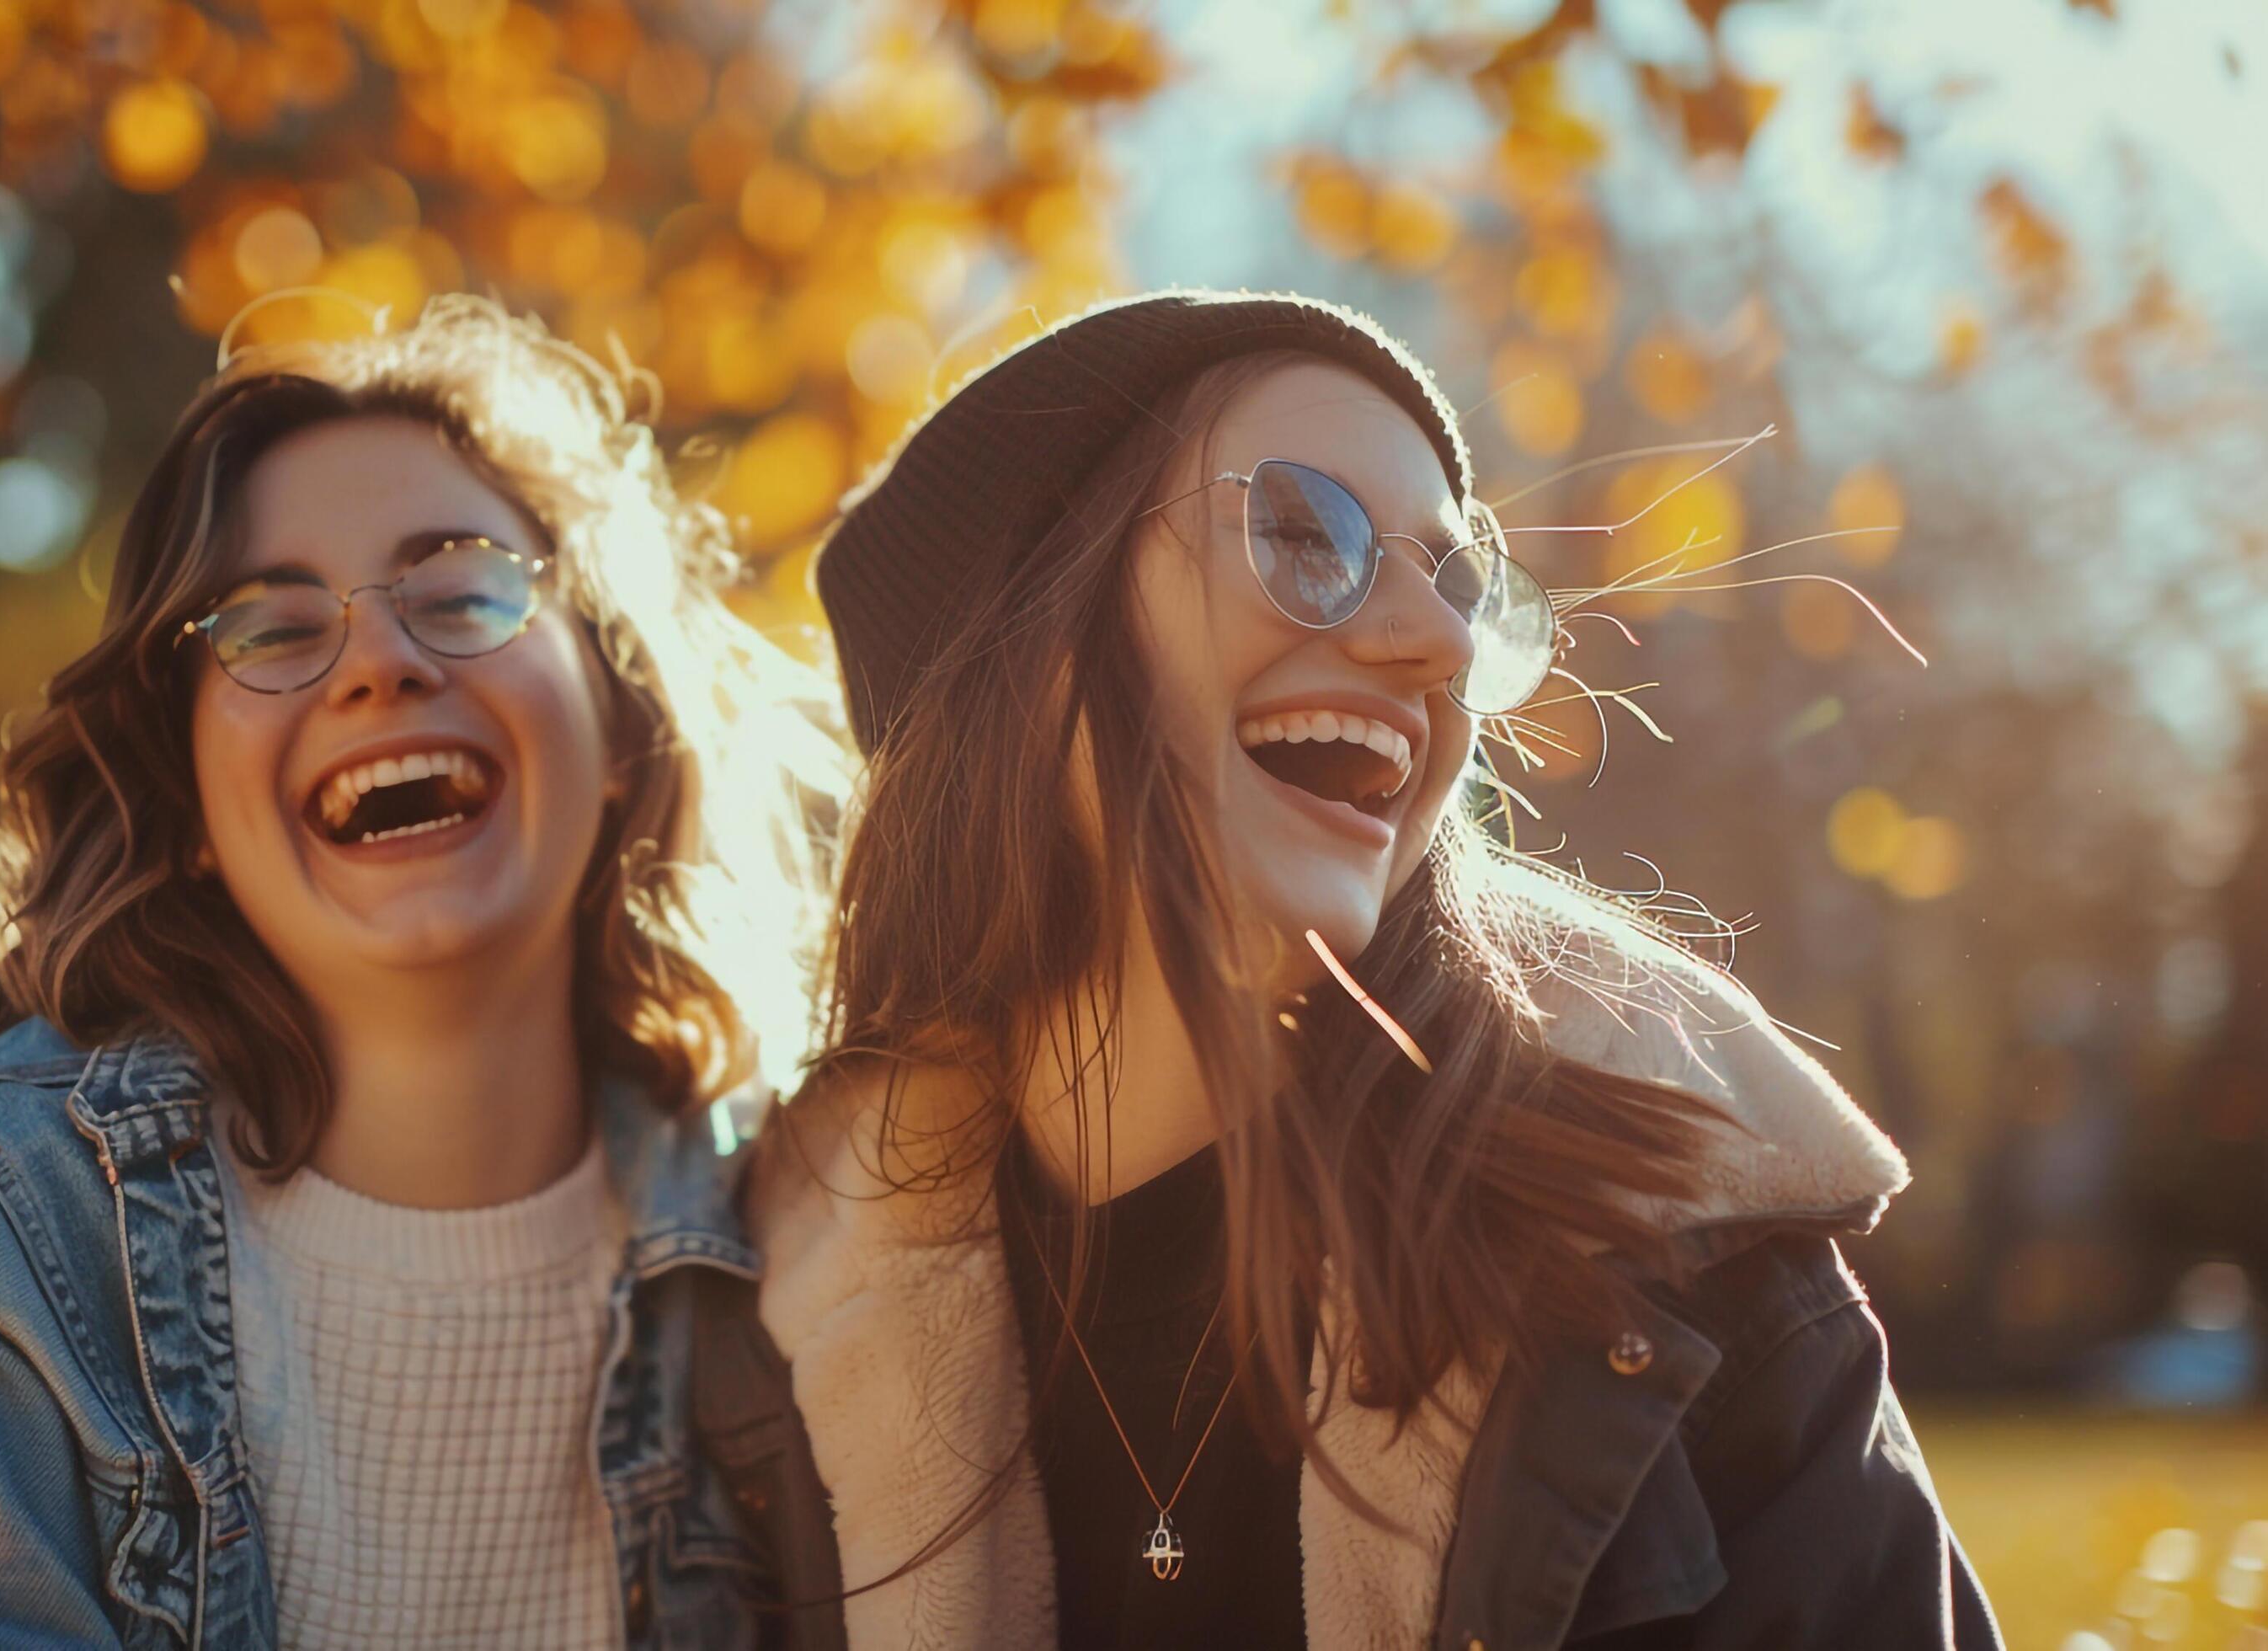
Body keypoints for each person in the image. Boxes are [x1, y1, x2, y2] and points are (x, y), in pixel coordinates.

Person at [743, 290, 2000, 1648]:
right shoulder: (770, 1326)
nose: (1441, 643)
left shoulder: (1676, 1273)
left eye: (1462, 584)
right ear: (1010, 646)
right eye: (1304, 533)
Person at [0, 294, 843, 1648]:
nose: (379, 659)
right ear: (191, 810)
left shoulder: (821, 1235)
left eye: (464, 589)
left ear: (618, 726)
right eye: (268, 628)